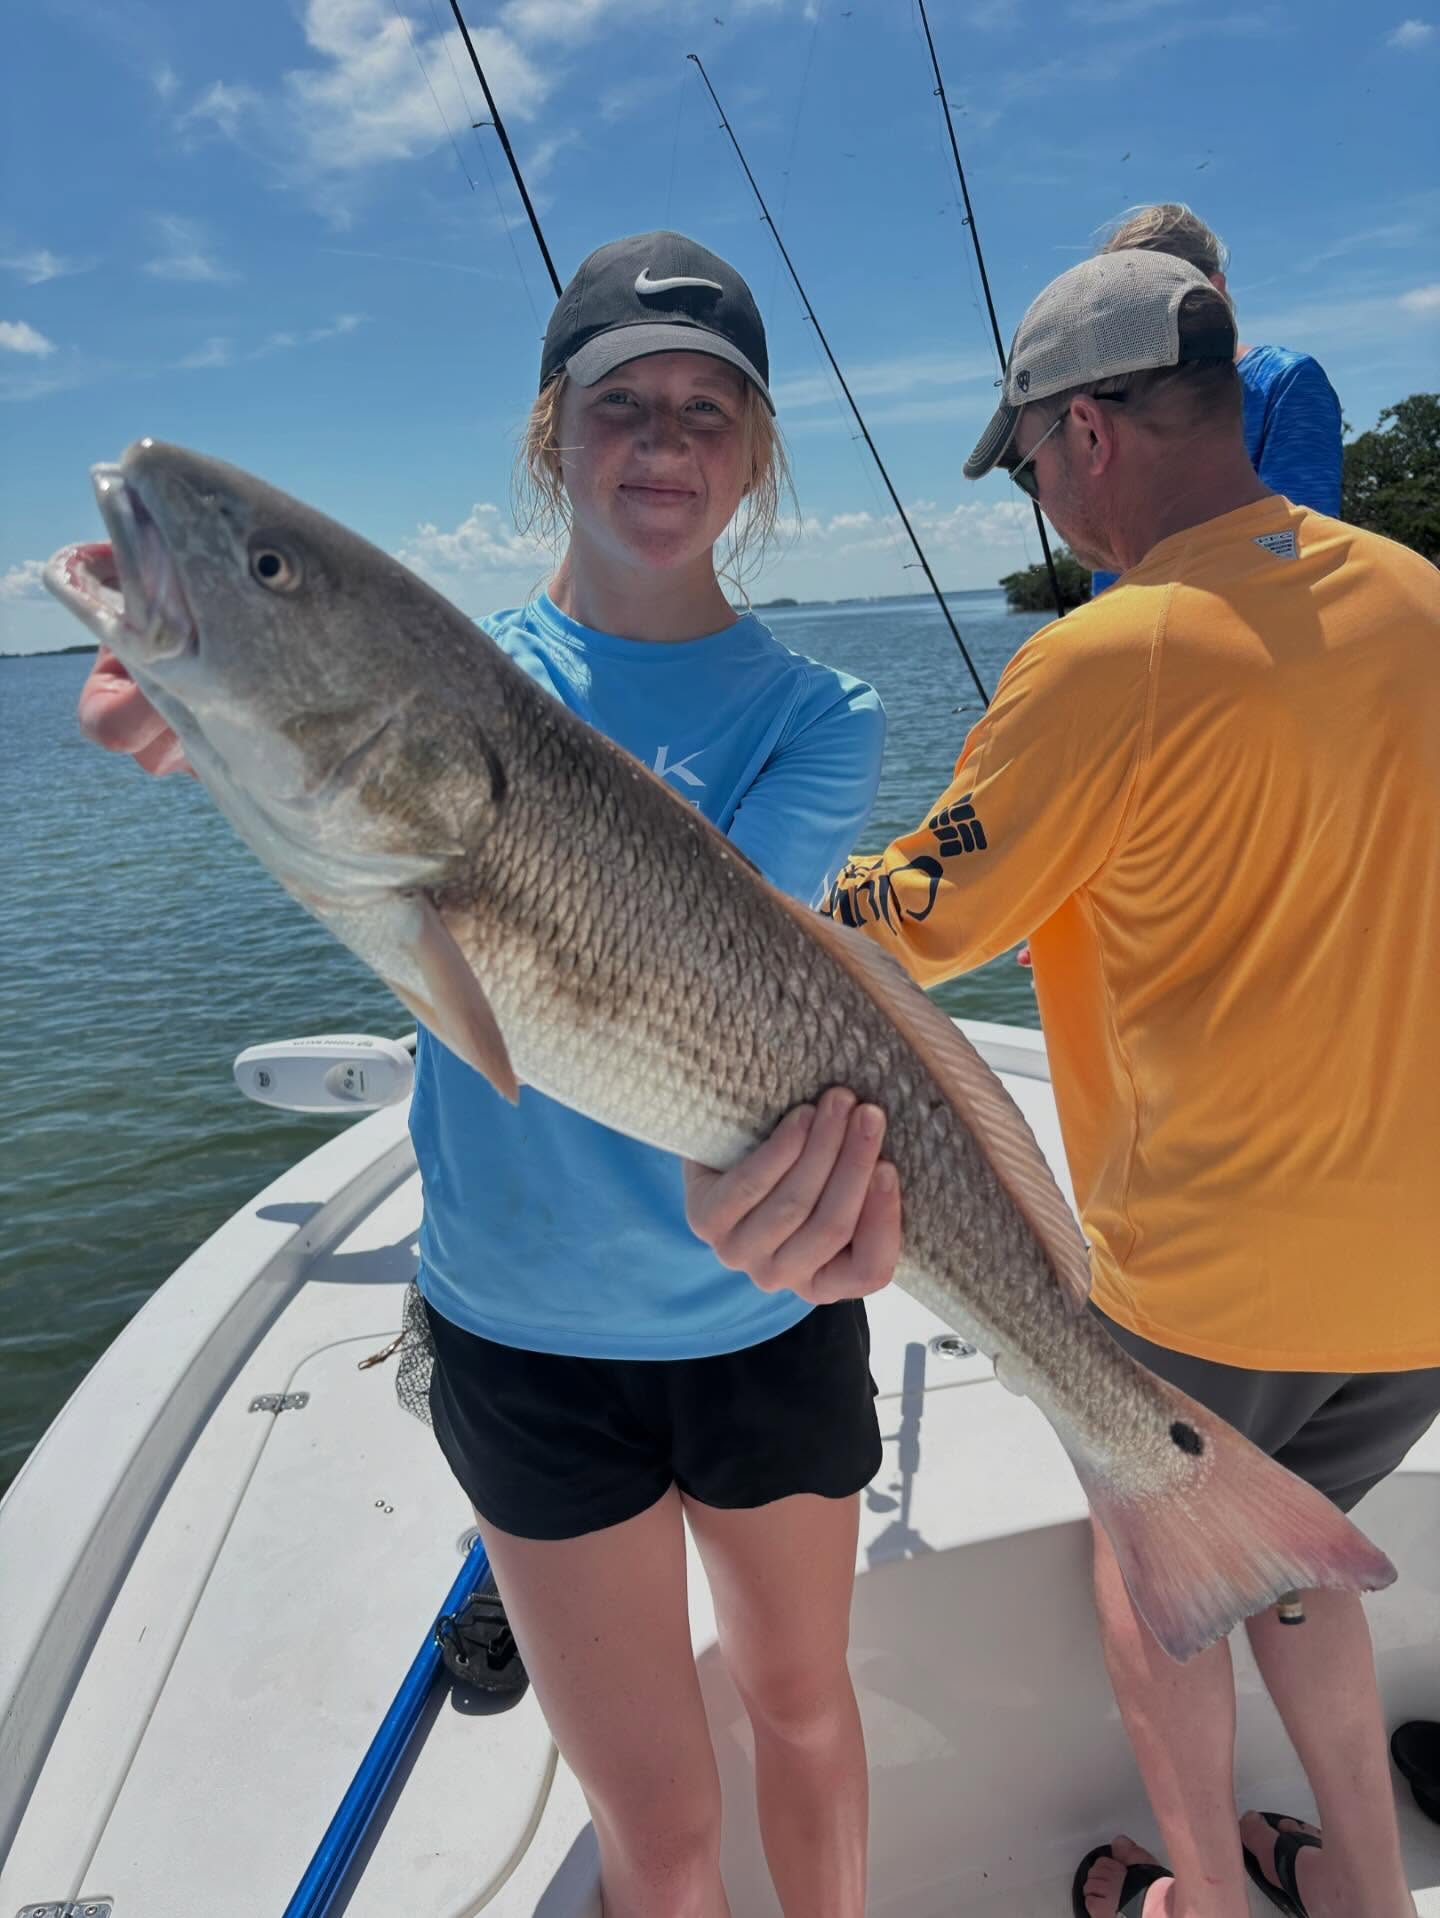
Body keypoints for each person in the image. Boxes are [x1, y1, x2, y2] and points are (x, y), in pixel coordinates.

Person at [76, 230, 891, 1918]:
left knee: (804, 1708)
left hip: (764, 1320)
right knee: (657, 1834)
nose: (661, 445)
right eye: (620, 407)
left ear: (751, 455)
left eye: (705, 410)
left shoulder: (823, 710)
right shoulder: (451, 667)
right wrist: (207, 695)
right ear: (549, 433)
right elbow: (362, 809)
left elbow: (737, 974)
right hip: (521, 1339)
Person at [684, 248, 1440, 1918]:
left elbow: (925, 924)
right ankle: (1374, 1896)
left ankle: (1205, 1901)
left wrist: (765, 905)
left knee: (1158, 1588)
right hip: (1421, 1281)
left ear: (1088, 427)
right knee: (1302, 1576)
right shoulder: (1417, 591)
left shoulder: (1113, 655)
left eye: (1027, 460)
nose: (1038, 498)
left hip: (1214, 1278)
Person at [1088, 202, 1342, 597]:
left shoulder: (1286, 381)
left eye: (1158, 302)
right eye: (1126, 309)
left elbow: (1296, 550)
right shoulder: (1117, 403)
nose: (1140, 324)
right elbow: (1111, 571)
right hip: (1140, 633)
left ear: (1215, 291)